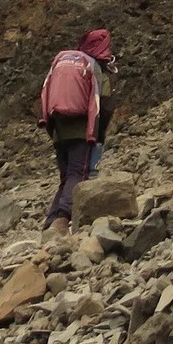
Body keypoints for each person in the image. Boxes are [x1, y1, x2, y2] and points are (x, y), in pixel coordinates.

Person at [37, 29, 111, 236]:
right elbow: (103, 106)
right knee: (78, 175)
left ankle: (50, 223)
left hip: (58, 130)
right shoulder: (94, 68)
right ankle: (62, 219)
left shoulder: (63, 61)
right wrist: (98, 135)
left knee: (66, 176)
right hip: (81, 131)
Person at [82, 30, 117, 179]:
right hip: (94, 124)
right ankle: (92, 170)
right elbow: (105, 105)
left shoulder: (78, 62)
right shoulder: (101, 70)